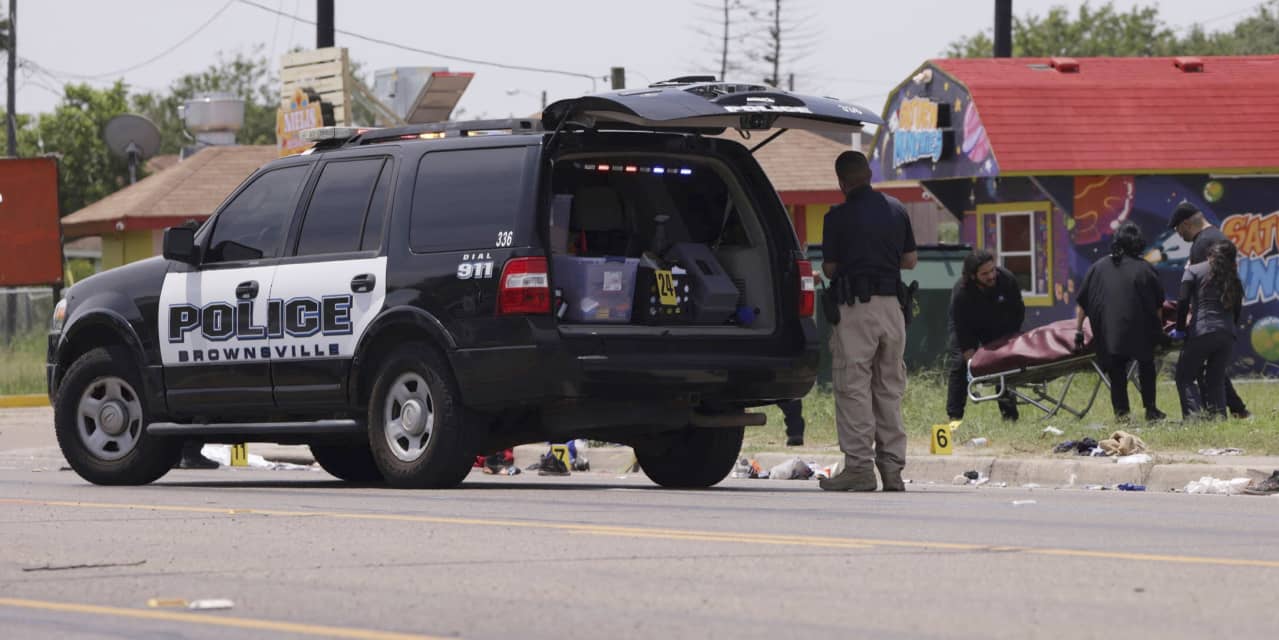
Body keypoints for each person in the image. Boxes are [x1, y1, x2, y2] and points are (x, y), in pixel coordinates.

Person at [817, 151, 917, 492]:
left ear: (841, 182)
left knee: (853, 387)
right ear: (870, 173)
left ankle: (859, 468)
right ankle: (892, 471)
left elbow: (829, 268)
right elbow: (911, 260)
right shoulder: (897, 209)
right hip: (893, 308)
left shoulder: (837, 217)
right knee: (888, 388)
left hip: (856, 310)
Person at [1074, 221, 1166, 421]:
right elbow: (1158, 305)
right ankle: (1151, 410)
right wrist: (1158, 332)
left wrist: (1078, 330)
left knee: (1117, 372)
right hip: (1140, 332)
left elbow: (1082, 303)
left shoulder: (1097, 267)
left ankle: (1122, 414)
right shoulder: (1145, 269)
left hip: (1109, 332)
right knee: (1146, 367)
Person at [1169, 202, 1251, 418]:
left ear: (1187, 223)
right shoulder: (1219, 236)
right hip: (1224, 321)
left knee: (1191, 371)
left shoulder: (1201, 243)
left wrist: (1185, 324)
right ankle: (1231, 410)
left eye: (1179, 230)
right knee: (1214, 371)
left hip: (1205, 321)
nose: (1180, 236)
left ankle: (1204, 414)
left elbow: (1196, 289)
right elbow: (1230, 287)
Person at [945, 249, 1025, 422]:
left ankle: (1010, 417)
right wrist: (973, 366)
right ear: (973, 276)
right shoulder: (961, 294)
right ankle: (954, 419)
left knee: (1004, 362)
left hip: (998, 324)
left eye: (992, 270)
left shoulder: (1007, 280)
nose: (991, 276)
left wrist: (1008, 344)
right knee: (960, 364)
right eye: (985, 274)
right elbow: (964, 336)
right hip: (968, 325)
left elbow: (1018, 313)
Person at [1174, 241, 1243, 419]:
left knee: (1184, 376)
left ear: (1209, 254)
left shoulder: (1193, 270)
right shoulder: (1233, 275)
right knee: (1216, 379)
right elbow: (1237, 309)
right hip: (1227, 334)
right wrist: (1228, 329)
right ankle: (1218, 419)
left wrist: (1180, 329)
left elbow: (1182, 301)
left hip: (1202, 330)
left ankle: (1193, 418)